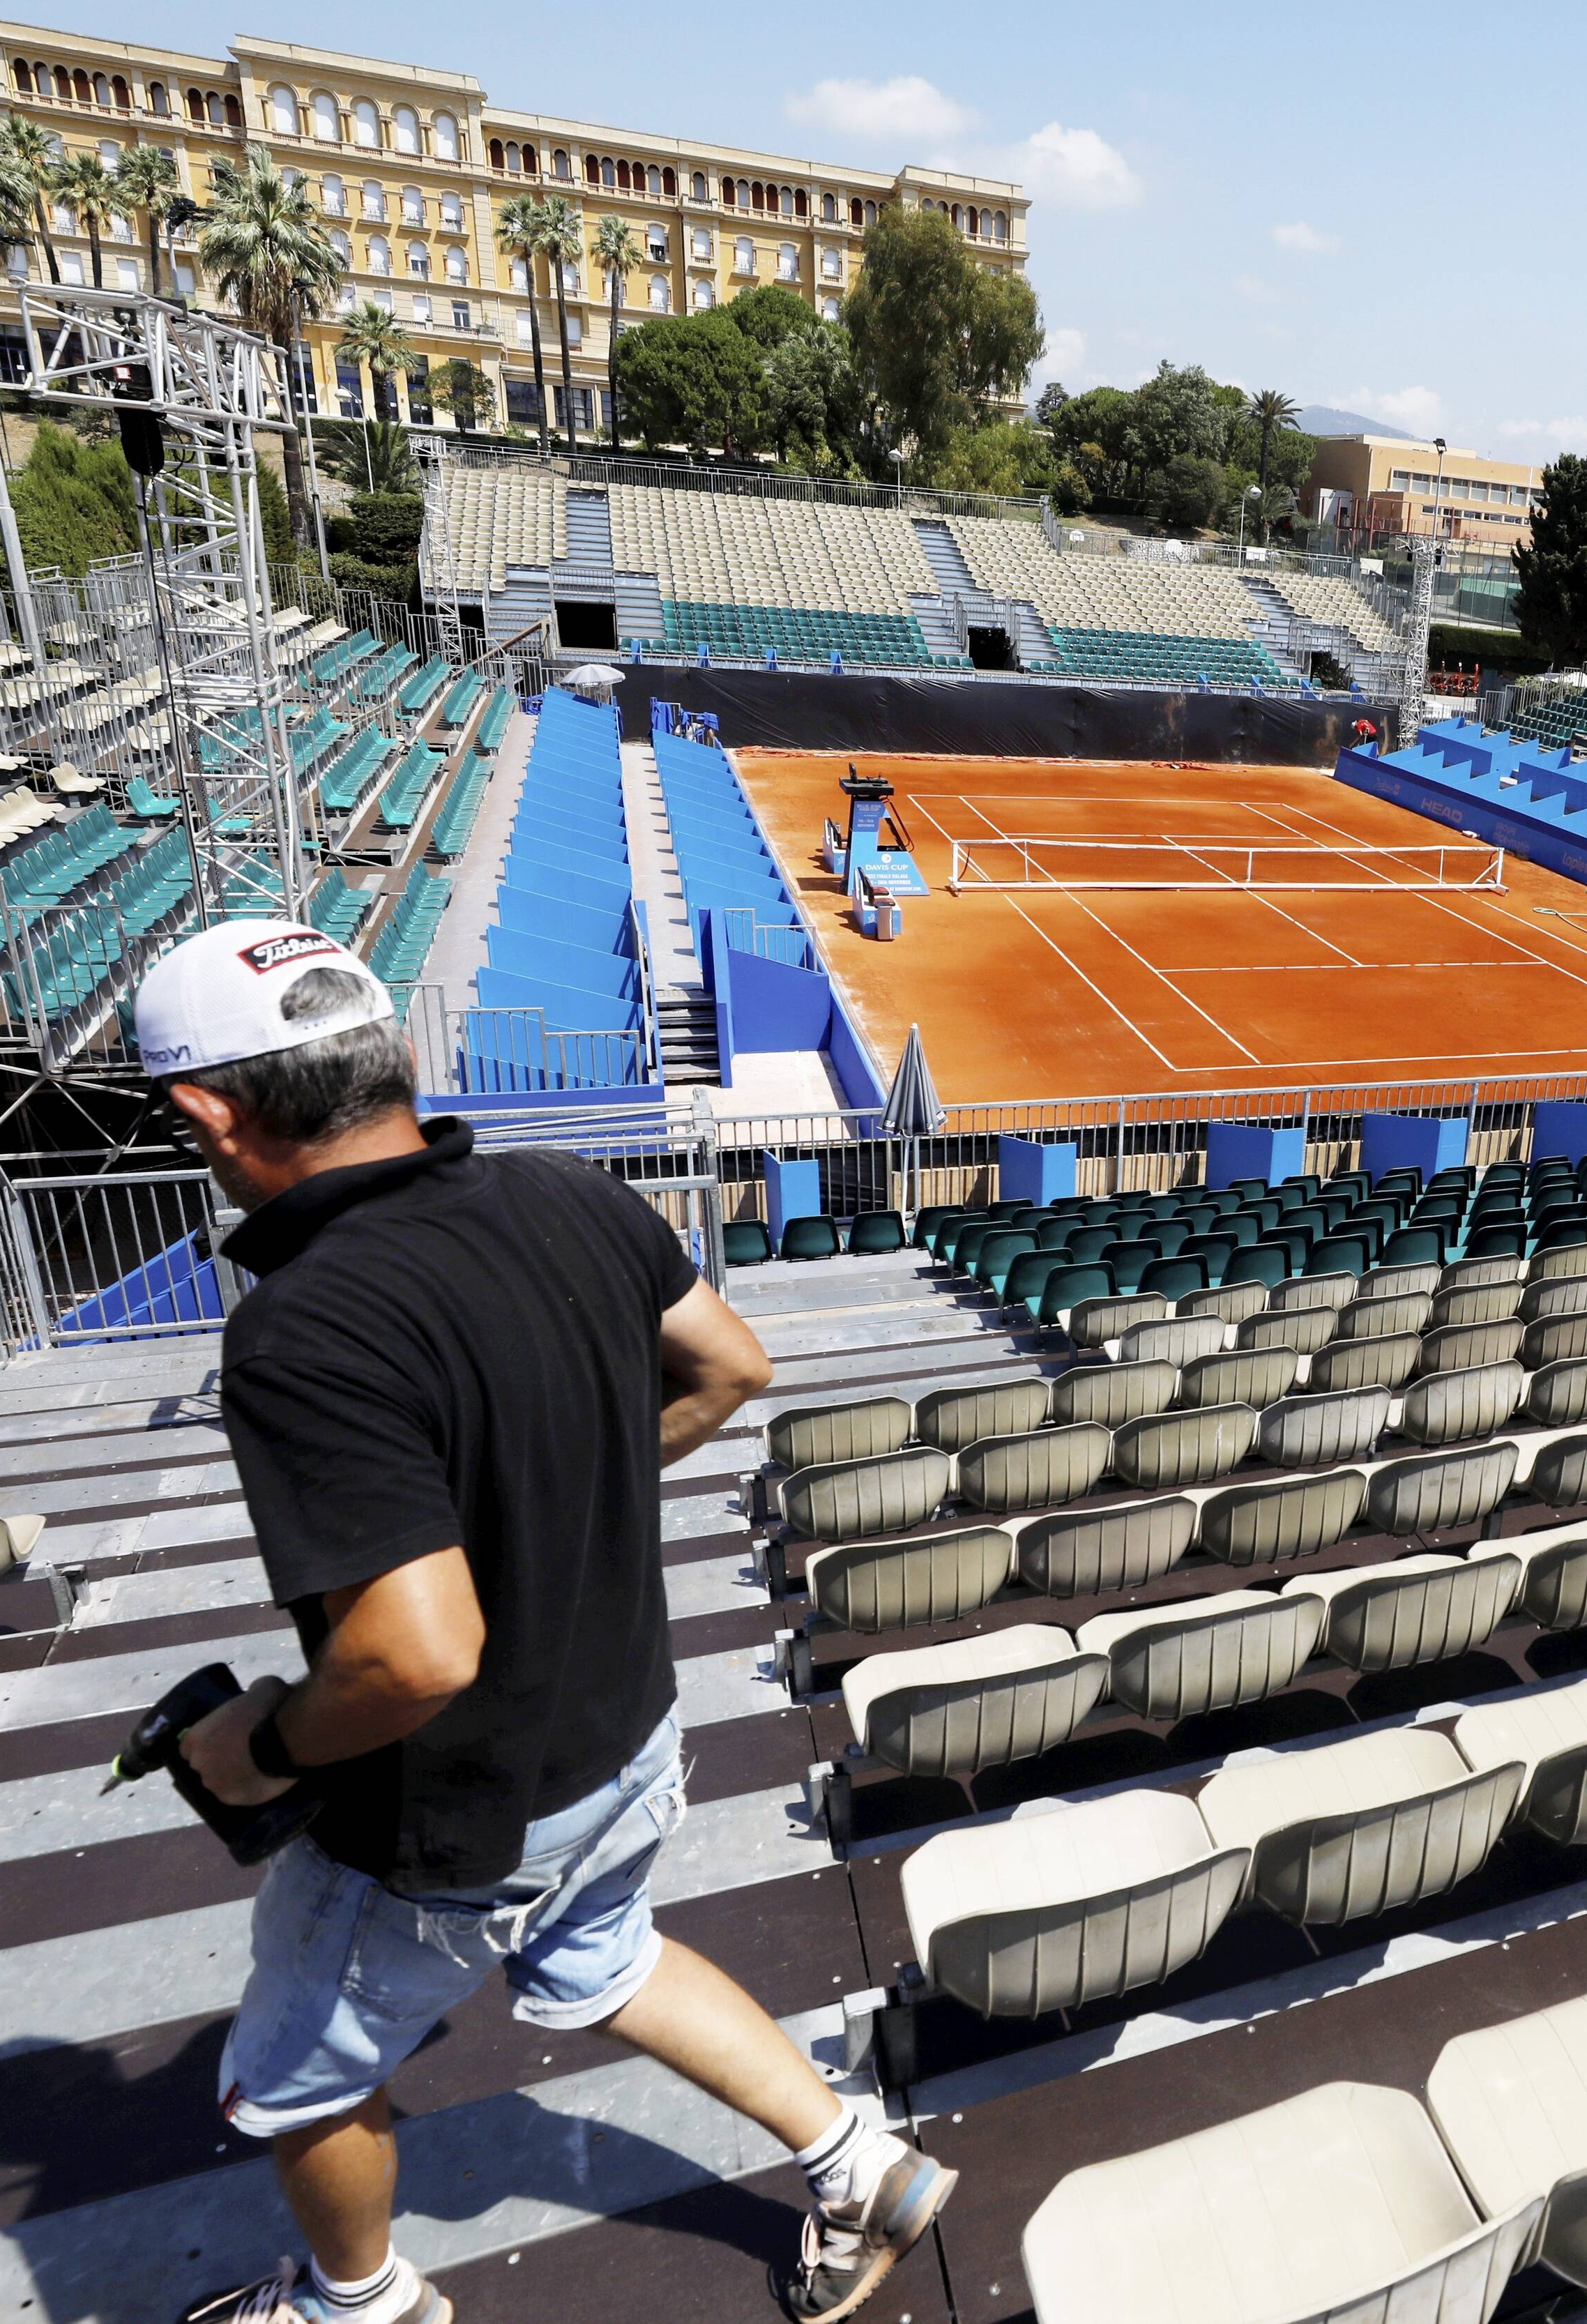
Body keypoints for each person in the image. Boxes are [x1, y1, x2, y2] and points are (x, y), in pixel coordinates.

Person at [137, 920, 950, 2324]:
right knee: (608, 1959)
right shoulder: (572, 1190)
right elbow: (730, 1363)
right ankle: (860, 2160)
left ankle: (359, 2305)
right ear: (386, 1054)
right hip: (625, 1732)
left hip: (451, 1811)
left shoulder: (303, 1323)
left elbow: (416, 1650)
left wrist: (257, 1743)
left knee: (289, 2075)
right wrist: (558, 1499)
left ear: (210, 1110)